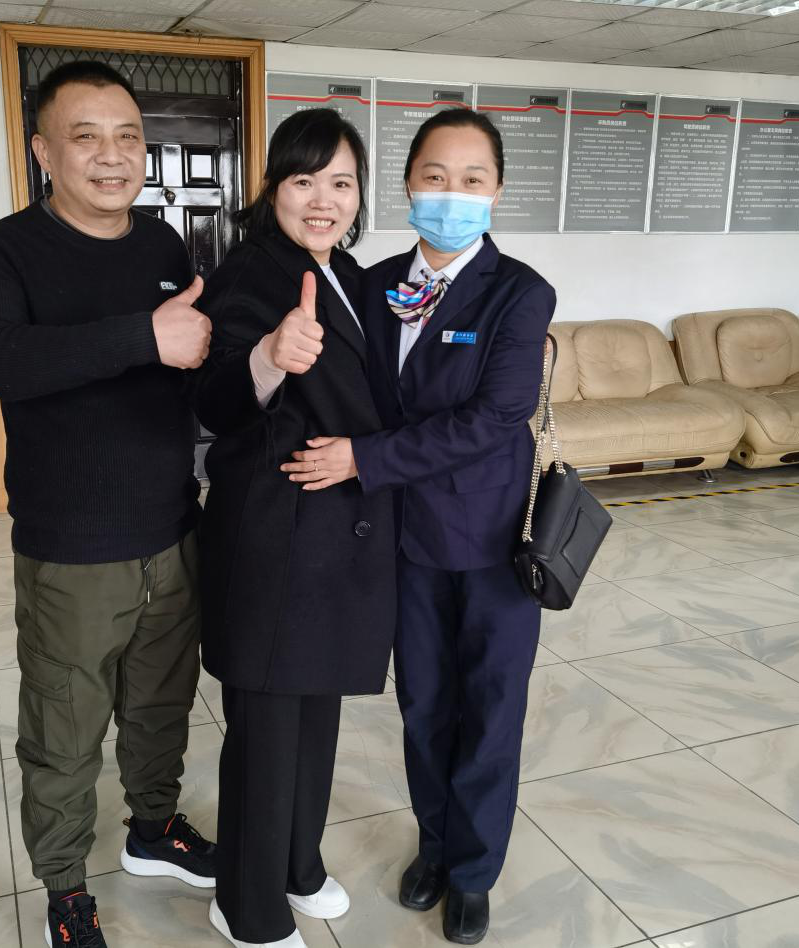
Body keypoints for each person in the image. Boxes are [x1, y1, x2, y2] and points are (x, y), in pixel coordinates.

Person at [0, 60, 217, 948]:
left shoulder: (164, 246)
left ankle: (154, 828)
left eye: (128, 136)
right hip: (71, 547)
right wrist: (144, 335)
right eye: (86, 137)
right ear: (43, 152)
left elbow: (184, 368)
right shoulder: (1, 250)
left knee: (160, 706)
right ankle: (65, 885)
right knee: (64, 730)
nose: (112, 156)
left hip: (171, 529)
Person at [283, 108, 556, 946]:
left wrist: (364, 458)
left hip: (491, 542)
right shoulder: (371, 286)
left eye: (473, 179)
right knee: (425, 704)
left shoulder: (519, 293)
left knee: (490, 711)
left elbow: (495, 417)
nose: (452, 193)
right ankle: (435, 847)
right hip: (399, 539)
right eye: (435, 176)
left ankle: (473, 873)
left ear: (496, 191)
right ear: (407, 183)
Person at [193, 108, 396, 948]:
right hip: (276, 537)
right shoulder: (252, 274)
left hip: (335, 537)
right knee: (269, 730)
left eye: (341, 183)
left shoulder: (345, 271)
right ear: (273, 186)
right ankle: (247, 905)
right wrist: (268, 357)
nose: (324, 200)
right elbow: (213, 402)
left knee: (316, 712)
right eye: (305, 180)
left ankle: (298, 865)